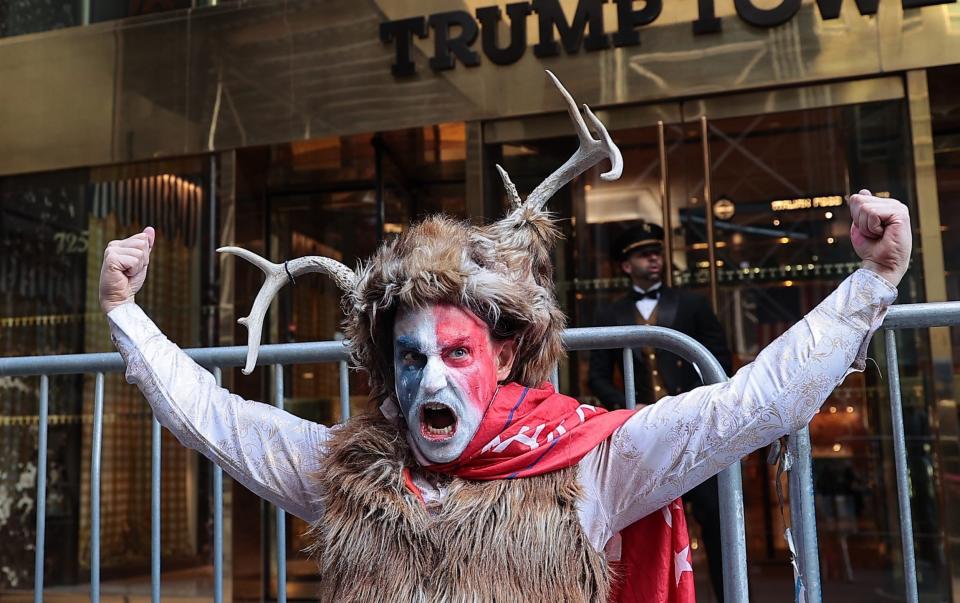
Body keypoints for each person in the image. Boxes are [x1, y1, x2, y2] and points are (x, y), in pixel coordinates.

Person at [98, 74, 910, 602]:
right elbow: (213, 416)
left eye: (456, 353)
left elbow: (753, 404)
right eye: (410, 358)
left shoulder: (591, 467)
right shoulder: (343, 475)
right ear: (387, 370)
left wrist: (870, 282)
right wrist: (126, 310)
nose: (431, 381)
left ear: (506, 354)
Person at [588, 222, 733, 600]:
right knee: (640, 529)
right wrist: (626, 404)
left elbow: (719, 360)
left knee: (717, 523)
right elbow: (597, 377)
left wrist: (695, 403)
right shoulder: (610, 313)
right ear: (625, 266)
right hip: (643, 436)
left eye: (656, 251)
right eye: (642, 253)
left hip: (695, 430)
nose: (654, 258)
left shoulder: (693, 304)